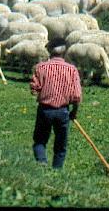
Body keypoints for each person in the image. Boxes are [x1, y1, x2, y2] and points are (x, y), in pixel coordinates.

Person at [29, 39, 82, 169]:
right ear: (65, 52)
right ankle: (56, 172)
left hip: (45, 110)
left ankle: (41, 163)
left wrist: (41, 90)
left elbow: (34, 89)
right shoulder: (72, 70)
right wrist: (74, 112)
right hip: (63, 111)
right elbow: (77, 96)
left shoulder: (40, 67)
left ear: (49, 51)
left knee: (40, 141)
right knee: (61, 145)